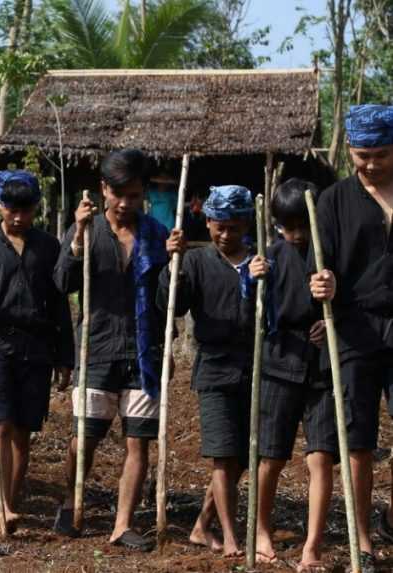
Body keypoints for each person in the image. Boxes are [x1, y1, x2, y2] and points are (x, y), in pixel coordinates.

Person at [53, 149, 169, 551]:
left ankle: (123, 524)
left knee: (138, 441)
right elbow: (62, 282)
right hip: (97, 347)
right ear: (104, 189)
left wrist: (175, 262)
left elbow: (166, 299)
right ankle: (71, 502)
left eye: (133, 195)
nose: (124, 203)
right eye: (118, 194)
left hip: (142, 351)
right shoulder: (84, 229)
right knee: (84, 437)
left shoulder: (156, 234)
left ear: (143, 193)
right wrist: (77, 240)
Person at [0, 170, 74, 533]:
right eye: (12, 210)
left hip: (36, 347)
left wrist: (64, 356)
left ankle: (11, 499)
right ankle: (1, 507)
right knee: (0, 425)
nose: (19, 217)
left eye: (26, 210)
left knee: (23, 432)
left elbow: (59, 303)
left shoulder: (48, 246)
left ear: (36, 208)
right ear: (0, 207)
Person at [310, 104, 393, 573]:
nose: (371, 164)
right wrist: (322, 282)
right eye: (363, 156)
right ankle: (362, 537)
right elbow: (319, 263)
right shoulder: (333, 200)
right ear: (350, 152)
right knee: (358, 440)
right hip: (355, 328)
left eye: (381, 154)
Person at [159, 184, 256, 557]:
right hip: (215, 369)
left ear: (246, 225)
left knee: (242, 457)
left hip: (253, 368)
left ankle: (202, 526)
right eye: (220, 227)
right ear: (209, 224)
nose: (226, 235)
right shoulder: (197, 262)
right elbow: (173, 304)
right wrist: (174, 265)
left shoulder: (258, 262)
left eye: (234, 228)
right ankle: (230, 536)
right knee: (222, 454)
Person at [248, 179, 336, 572]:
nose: (297, 235)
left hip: (323, 367)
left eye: (303, 226)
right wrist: (251, 279)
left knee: (321, 457)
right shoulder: (268, 258)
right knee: (270, 455)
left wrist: (332, 322)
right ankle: (261, 531)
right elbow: (250, 309)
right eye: (289, 227)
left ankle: (312, 546)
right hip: (279, 362)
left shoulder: (331, 253)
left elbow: (353, 298)